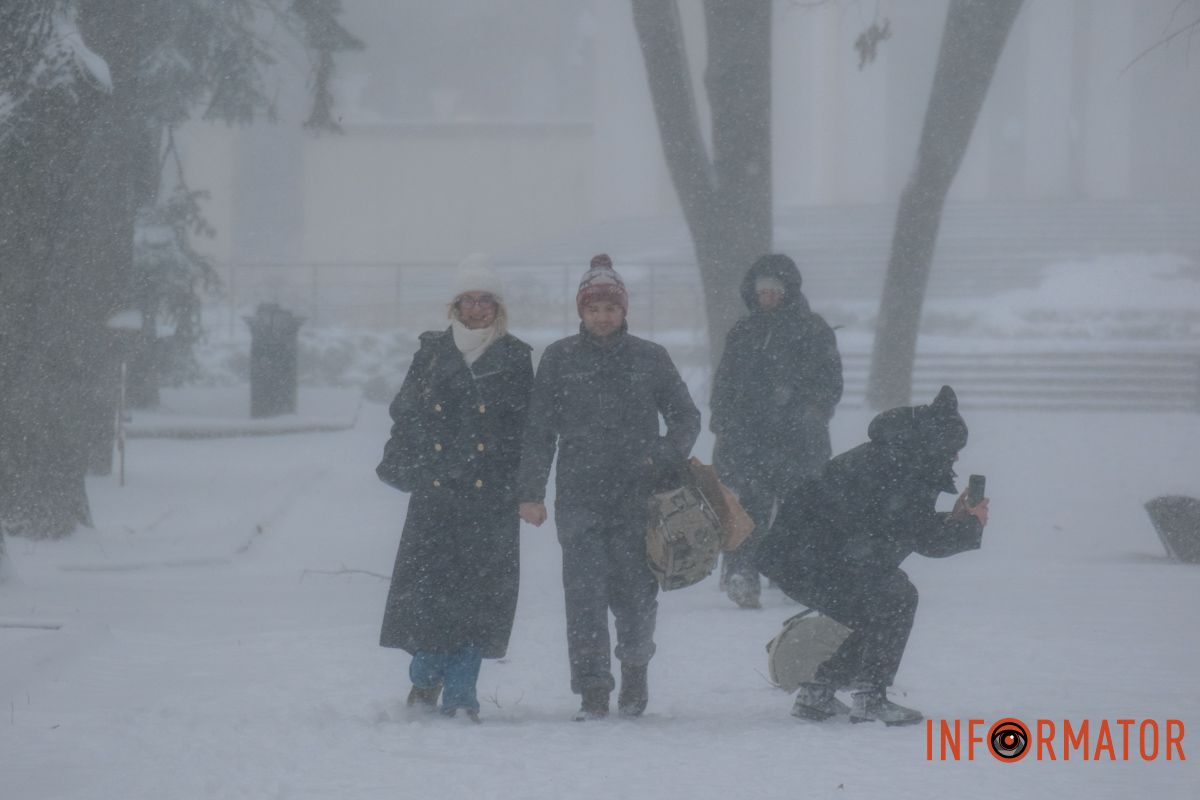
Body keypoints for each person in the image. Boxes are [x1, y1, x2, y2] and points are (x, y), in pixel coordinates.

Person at [517, 253, 701, 721]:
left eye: (611, 307)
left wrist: (661, 454)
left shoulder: (650, 358)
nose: (602, 316)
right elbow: (539, 430)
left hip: (637, 499)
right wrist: (531, 492)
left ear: (624, 311)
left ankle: (636, 668)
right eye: (593, 307)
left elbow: (686, 416)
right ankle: (593, 688)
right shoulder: (559, 359)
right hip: (578, 497)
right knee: (583, 597)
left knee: (635, 595)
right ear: (581, 311)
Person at [755, 385, 989, 726]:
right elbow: (923, 539)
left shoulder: (893, 454)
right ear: (935, 443)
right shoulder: (905, 468)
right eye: (953, 450)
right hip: (811, 558)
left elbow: (902, 527)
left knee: (868, 605)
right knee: (895, 596)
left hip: (796, 555)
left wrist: (954, 521)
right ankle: (870, 697)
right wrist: (969, 527)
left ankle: (818, 693)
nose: (955, 458)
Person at [376, 253, 534, 723]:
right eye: (469, 300)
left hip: (490, 498)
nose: (477, 308)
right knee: (427, 595)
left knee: (478, 600)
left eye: (486, 300)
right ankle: (424, 677)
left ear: (497, 307)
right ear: (455, 305)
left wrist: (524, 488)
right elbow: (405, 413)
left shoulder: (515, 357)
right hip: (436, 495)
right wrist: (414, 465)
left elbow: (527, 429)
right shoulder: (430, 353)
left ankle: (462, 692)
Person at [710, 253, 843, 609]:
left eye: (774, 291)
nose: (768, 297)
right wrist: (721, 422)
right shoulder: (742, 332)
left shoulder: (813, 330)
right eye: (762, 291)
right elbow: (724, 382)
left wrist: (811, 410)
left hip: (798, 439)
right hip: (749, 438)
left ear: (788, 292)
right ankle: (742, 573)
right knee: (748, 506)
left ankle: (791, 572)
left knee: (797, 507)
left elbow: (830, 382)